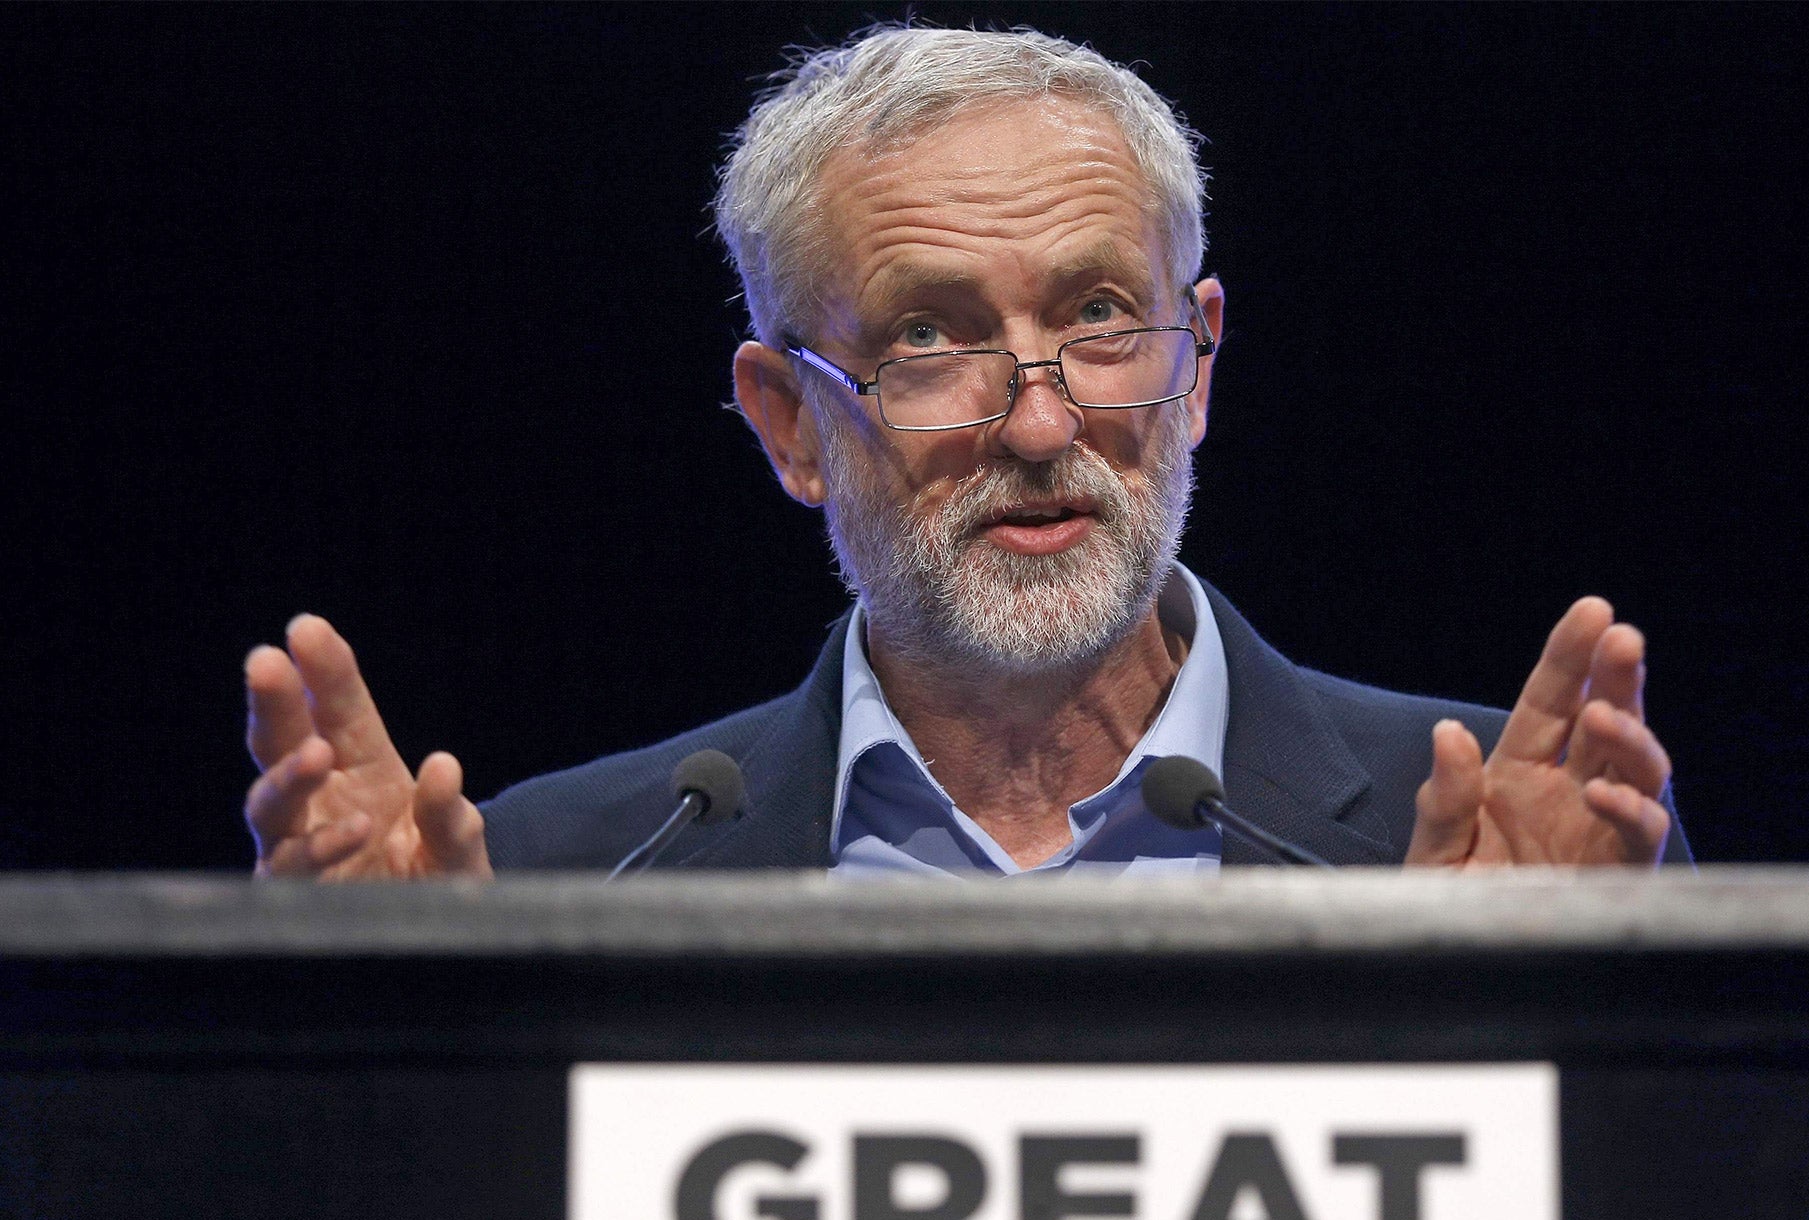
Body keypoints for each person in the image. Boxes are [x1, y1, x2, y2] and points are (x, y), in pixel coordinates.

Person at [241, 24, 1683, 879]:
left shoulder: (1505, 841)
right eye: (929, 340)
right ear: (790, 421)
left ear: (1198, 368)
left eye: (1102, 316)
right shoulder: (572, 872)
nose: (1044, 426)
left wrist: (1535, 1018)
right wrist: (393, 1064)